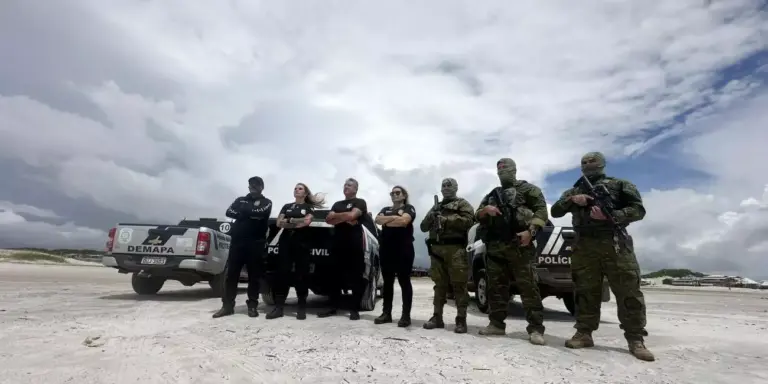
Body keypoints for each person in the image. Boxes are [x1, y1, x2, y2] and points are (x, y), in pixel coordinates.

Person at [550, 151, 655, 362]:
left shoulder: (621, 184)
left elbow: (638, 210)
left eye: (593, 161)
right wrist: (573, 200)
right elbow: (555, 211)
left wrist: (612, 216)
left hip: (615, 243)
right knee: (585, 292)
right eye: (584, 162)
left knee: (628, 291)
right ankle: (584, 333)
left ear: (603, 163)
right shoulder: (574, 190)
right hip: (585, 245)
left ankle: (635, 339)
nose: (588, 164)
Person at [474, 158, 548, 345]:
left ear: (514, 170)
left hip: (520, 245)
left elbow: (541, 212)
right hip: (496, 247)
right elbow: (477, 214)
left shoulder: (529, 190)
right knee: (496, 288)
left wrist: (530, 232)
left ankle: (536, 329)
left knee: (529, 288)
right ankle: (496, 324)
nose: (503, 173)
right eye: (499, 170)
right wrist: (486, 211)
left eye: (506, 170)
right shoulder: (493, 194)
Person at [419, 178, 475, 334]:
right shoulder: (436, 206)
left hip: (456, 250)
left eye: (449, 186)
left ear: (456, 188)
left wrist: (447, 220)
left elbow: (470, 220)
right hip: (437, 251)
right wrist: (432, 217)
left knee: (459, 285)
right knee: (439, 285)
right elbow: (423, 227)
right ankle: (437, 317)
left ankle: (461, 320)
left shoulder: (462, 204)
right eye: (443, 186)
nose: (446, 189)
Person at [213, 176, 273, 319]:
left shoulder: (267, 202)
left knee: (254, 277)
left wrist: (243, 213)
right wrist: (250, 213)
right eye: (251, 184)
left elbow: (261, 213)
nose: (253, 187)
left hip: (256, 244)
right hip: (237, 243)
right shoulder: (240, 199)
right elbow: (229, 212)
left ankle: (252, 306)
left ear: (261, 187)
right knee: (231, 276)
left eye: (256, 185)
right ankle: (227, 306)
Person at [266, 183, 325, 321]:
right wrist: (293, 222)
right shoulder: (287, 206)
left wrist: (290, 220)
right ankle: (279, 308)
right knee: (282, 274)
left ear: (305, 193)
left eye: (300, 188)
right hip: (286, 242)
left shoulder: (309, 208)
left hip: (302, 244)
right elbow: (279, 223)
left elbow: (306, 222)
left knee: (301, 275)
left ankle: (301, 308)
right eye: (295, 188)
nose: (297, 190)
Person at [318, 178, 369, 320]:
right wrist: (345, 218)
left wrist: (338, 216)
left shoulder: (360, 202)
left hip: (354, 244)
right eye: (345, 184)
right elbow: (328, 220)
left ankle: (354, 309)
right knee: (334, 276)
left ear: (355, 189)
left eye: (349, 185)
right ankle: (333, 307)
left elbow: (353, 215)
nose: (346, 187)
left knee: (355, 278)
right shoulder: (337, 204)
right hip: (337, 243)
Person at [373, 185, 417, 327]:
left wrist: (389, 220)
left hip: (404, 249)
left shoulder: (409, 208)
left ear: (404, 195)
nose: (394, 195)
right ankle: (386, 314)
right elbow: (378, 220)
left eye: (397, 193)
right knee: (387, 282)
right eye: (392, 193)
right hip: (386, 249)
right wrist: (394, 217)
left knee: (404, 281)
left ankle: (405, 316)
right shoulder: (385, 209)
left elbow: (404, 221)